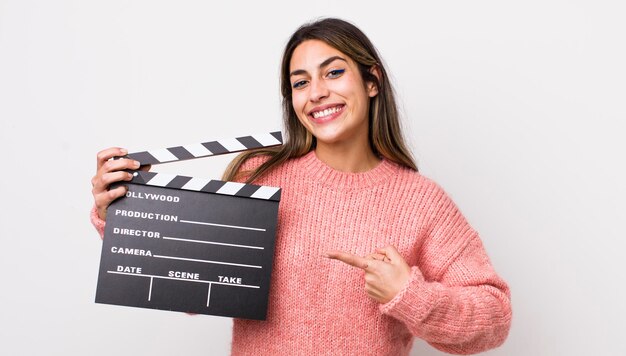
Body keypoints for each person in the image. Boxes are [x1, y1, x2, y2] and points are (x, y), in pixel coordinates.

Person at [91, 18, 512, 355]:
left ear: (372, 81)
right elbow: (191, 290)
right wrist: (123, 214)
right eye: (300, 82)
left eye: (333, 72)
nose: (317, 93)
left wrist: (410, 295)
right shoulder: (259, 176)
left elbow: (494, 319)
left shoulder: (422, 202)